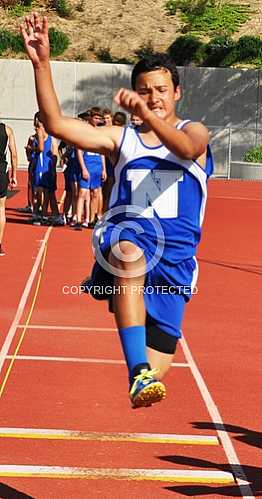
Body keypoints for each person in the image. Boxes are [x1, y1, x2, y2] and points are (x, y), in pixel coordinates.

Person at [21, 13, 213, 408]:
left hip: (175, 262)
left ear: (177, 92)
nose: (153, 98)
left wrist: (147, 117)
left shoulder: (196, 132)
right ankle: (134, 358)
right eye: (144, 92)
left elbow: (187, 150)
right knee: (130, 255)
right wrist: (41, 64)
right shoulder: (122, 139)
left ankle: (141, 374)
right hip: (129, 242)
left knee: (156, 377)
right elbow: (56, 124)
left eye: (160, 90)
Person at [0, 122, 18, 256]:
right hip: (1, 171)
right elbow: (14, 155)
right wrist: (14, 175)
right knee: (1, 208)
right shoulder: (7, 130)